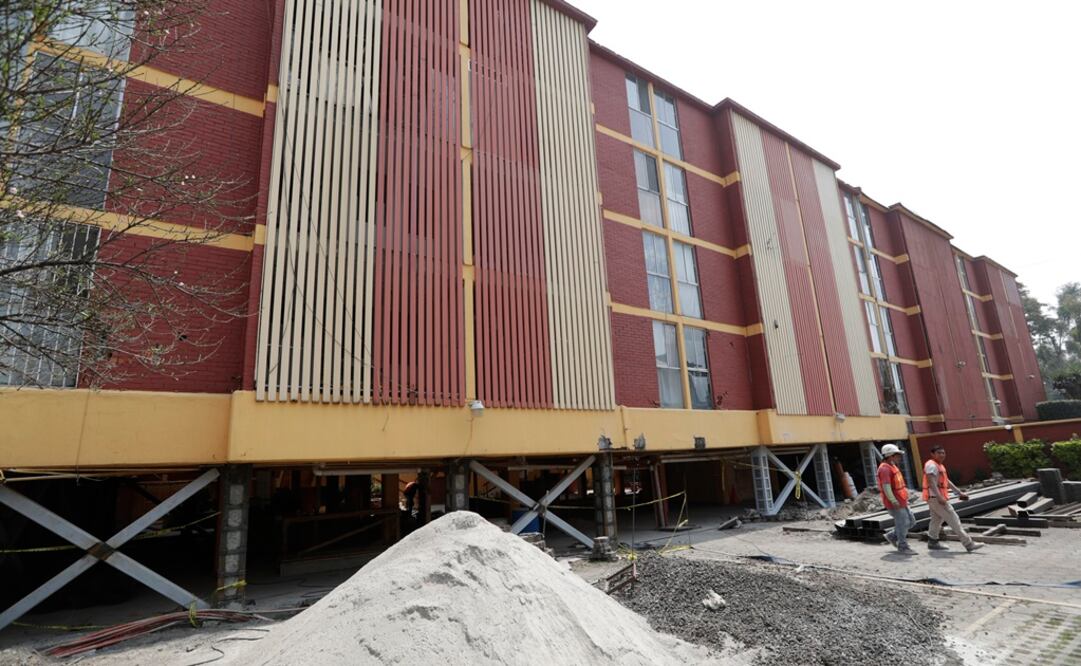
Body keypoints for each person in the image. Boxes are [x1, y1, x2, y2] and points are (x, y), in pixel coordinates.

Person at [922, 445, 983, 552]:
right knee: (954, 519)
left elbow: (946, 481)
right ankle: (968, 544)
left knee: (936, 520)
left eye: (943, 453)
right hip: (937, 498)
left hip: (935, 498)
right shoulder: (931, 465)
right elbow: (931, 482)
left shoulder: (939, 466)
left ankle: (932, 542)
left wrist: (958, 492)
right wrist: (939, 497)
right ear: (932, 454)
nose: (942, 455)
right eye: (939, 453)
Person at [877, 444, 915, 554]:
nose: (899, 457)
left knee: (911, 521)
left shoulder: (892, 466)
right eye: (897, 455)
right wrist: (893, 500)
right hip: (895, 502)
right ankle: (903, 546)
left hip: (901, 500)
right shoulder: (884, 469)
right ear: (890, 456)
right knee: (903, 522)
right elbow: (886, 486)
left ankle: (892, 536)